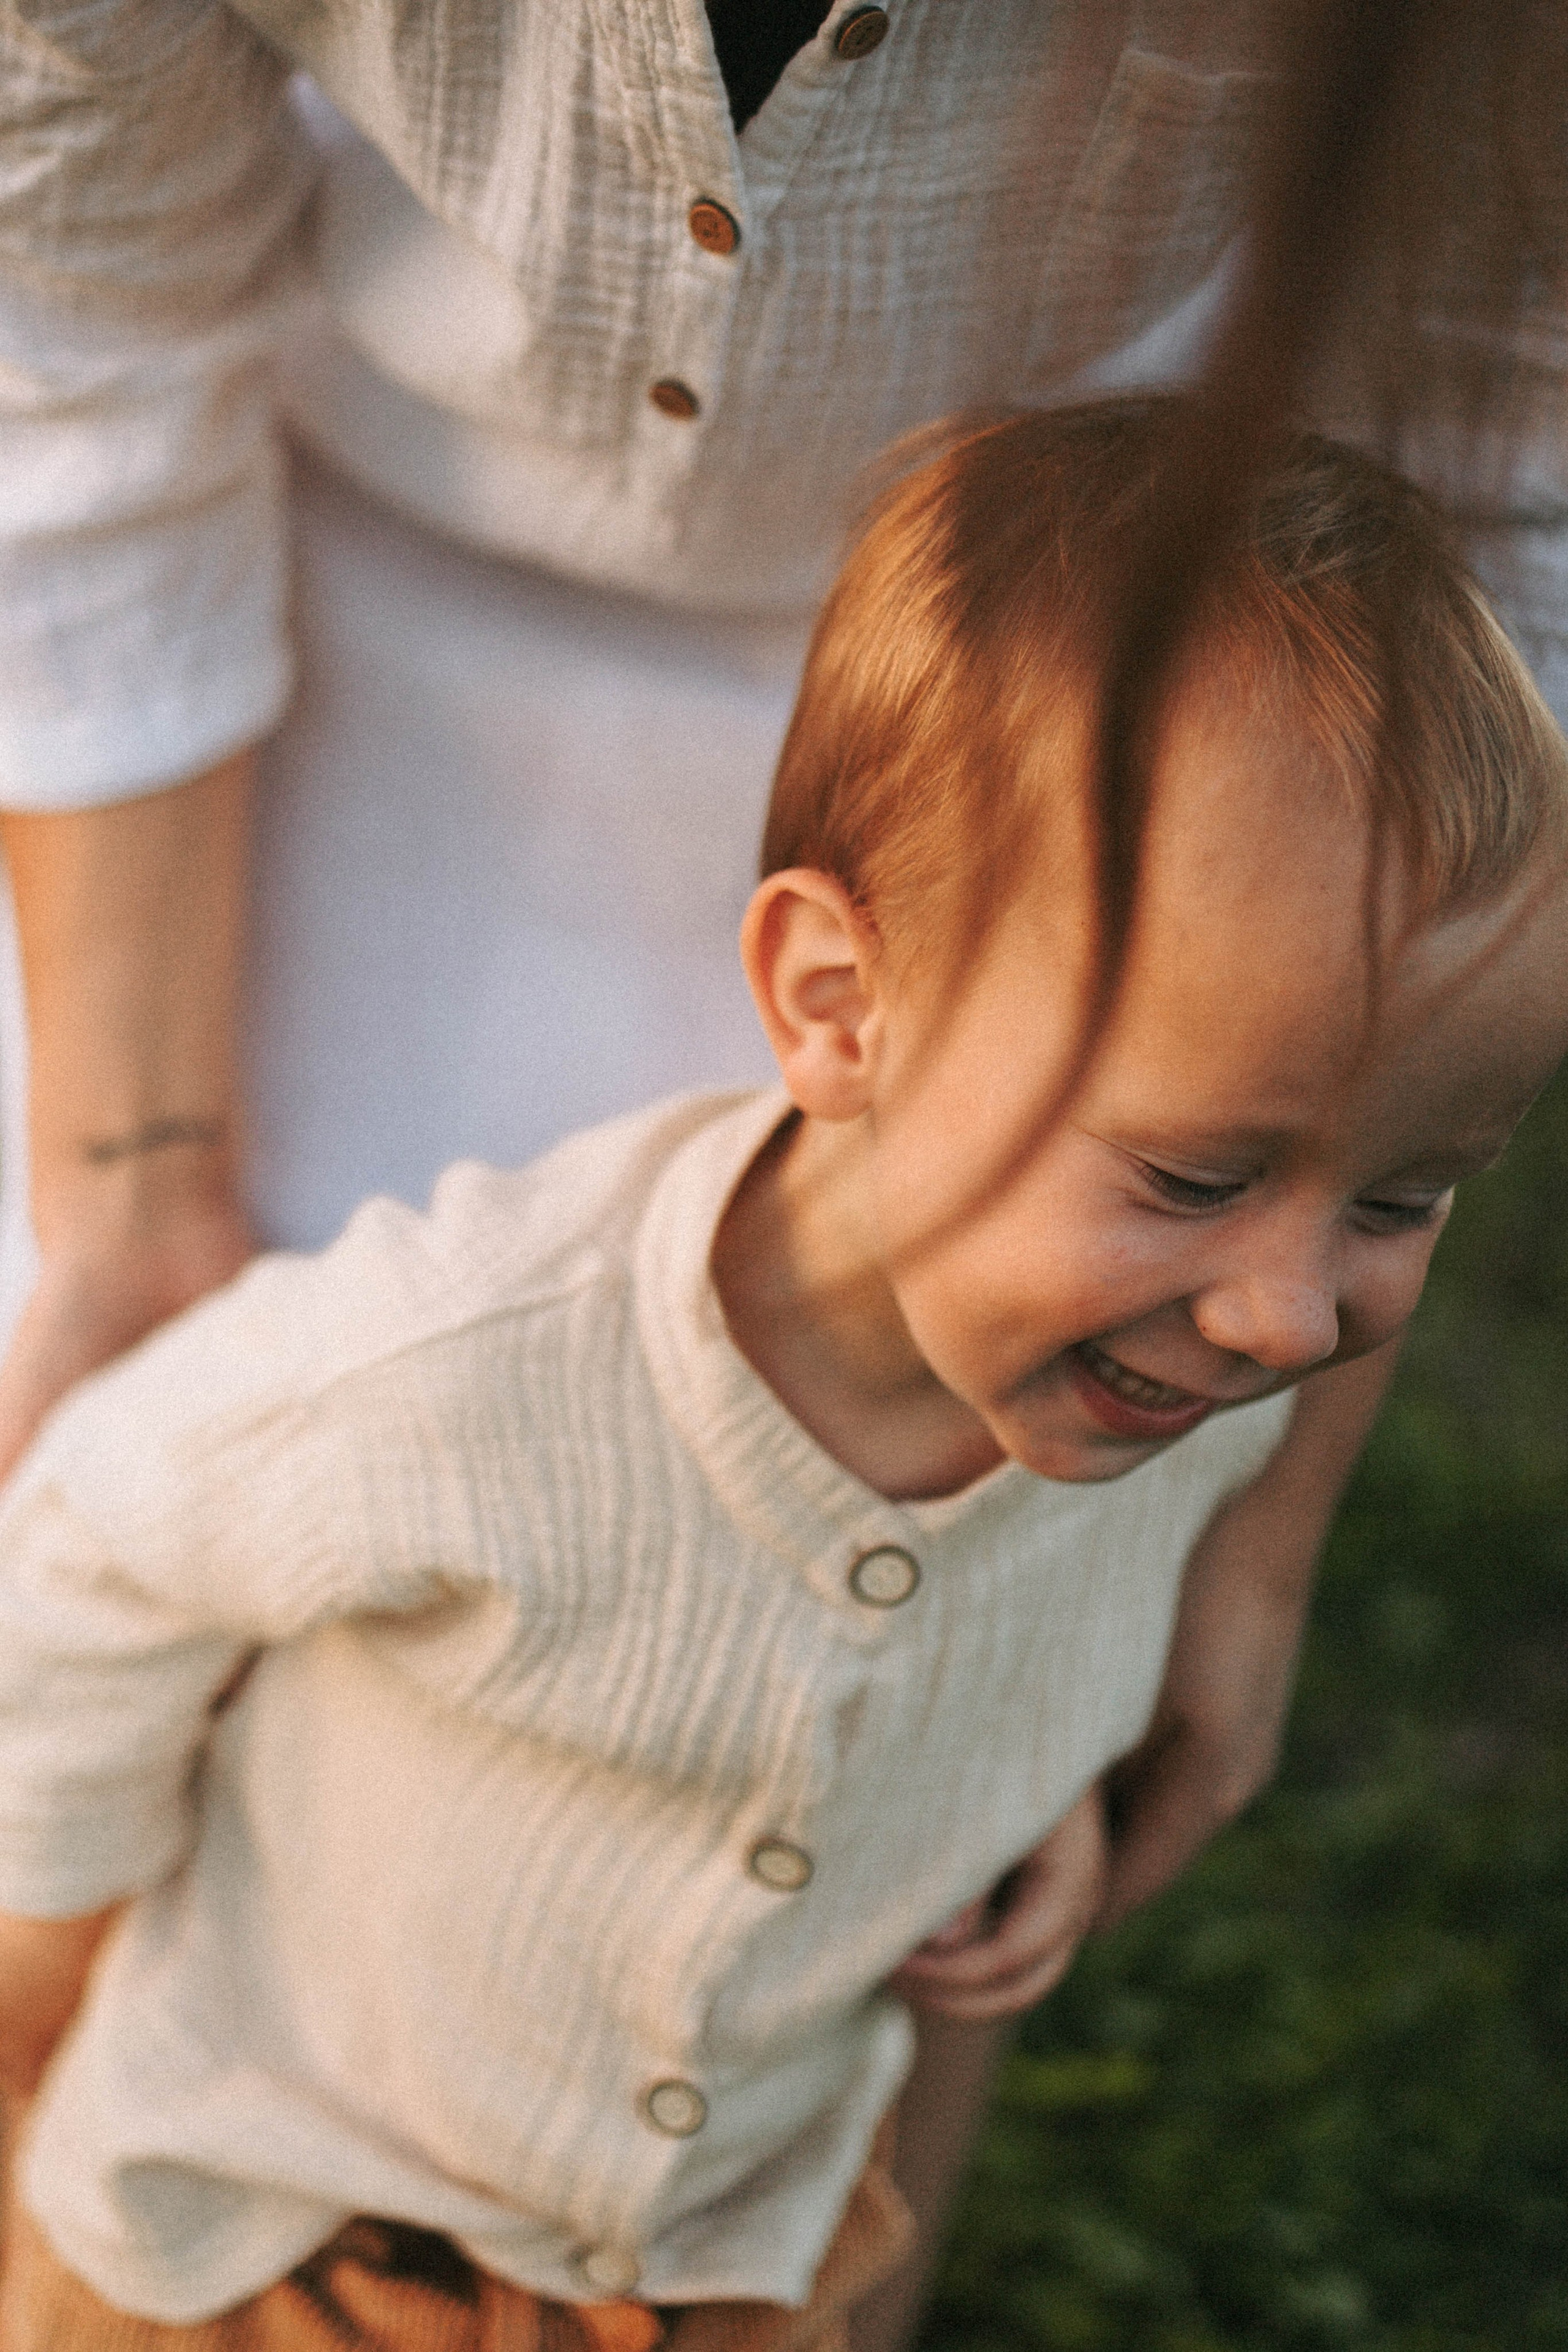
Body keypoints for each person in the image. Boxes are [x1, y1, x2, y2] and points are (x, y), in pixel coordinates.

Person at [2, 6, 1565, 2340]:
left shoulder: (1143, 1378)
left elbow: (1506, 463)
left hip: (718, 2267)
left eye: (1401, 1202)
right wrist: (47, 1970)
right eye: (1198, 1174)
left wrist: (1077, 1753)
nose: (1289, 1324)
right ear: (833, 1014)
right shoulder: (453, 1370)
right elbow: (108, 1542)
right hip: (239, 2233)